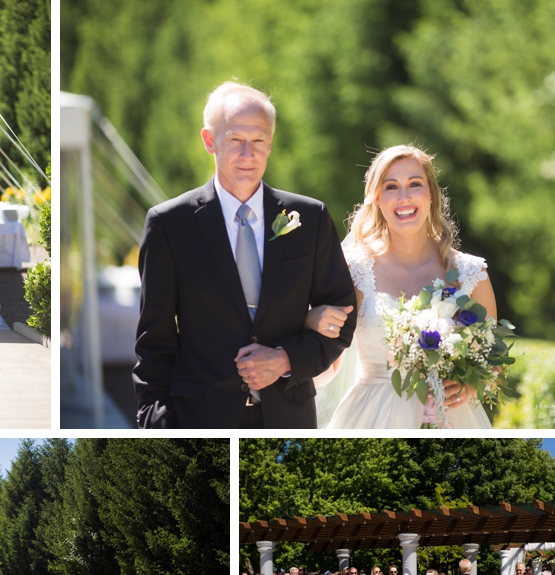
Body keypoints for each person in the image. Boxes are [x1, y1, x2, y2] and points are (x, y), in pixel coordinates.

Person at [133, 81, 357, 428]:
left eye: (259, 141)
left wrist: (285, 359)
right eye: (236, 139)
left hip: (288, 420)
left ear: (271, 143)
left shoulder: (310, 218)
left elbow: (343, 317)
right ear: (210, 140)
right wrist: (155, 423)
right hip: (199, 420)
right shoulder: (169, 225)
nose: (248, 154)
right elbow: (154, 340)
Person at [305, 144, 497, 429]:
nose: (404, 197)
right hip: (372, 417)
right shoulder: (354, 270)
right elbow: (327, 367)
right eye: (391, 186)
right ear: (377, 199)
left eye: (415, 184)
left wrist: (472, 384)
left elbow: (493, 360)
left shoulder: (471, 273)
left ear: (431, 194)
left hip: (452, 417)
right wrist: (309, 324)